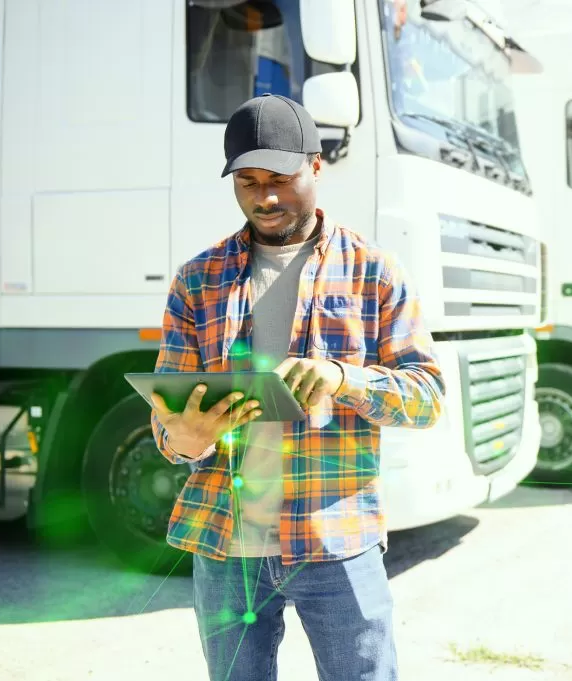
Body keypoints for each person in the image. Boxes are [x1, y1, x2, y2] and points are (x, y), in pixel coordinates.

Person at [149, 94, 445, 681]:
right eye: (249, 182)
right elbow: (168, 424)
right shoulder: (196, 281)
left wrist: (344, 378)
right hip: (227, 543)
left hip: (335, 540)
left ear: (316, 165)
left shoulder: (374, 272)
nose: (266, 197)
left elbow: (429, 397)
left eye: (281, 178)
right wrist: (186, 437)